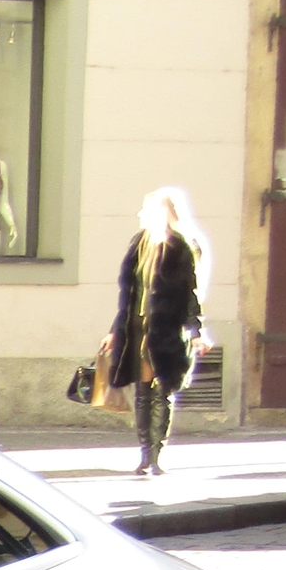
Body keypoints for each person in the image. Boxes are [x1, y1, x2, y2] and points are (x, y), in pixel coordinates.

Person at [106, 186, 209, 478]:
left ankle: (156, 456)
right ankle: (143, 454)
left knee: (162, 392)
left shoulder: (182, 247)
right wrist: (115, 330)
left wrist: (195, 330)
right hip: (137, 329)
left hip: (166, 329)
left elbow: (191, 294)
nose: (142, 214)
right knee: (142, 391)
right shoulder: (140, 244)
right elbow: (128, 294)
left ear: (165, 213)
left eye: (149, 209)